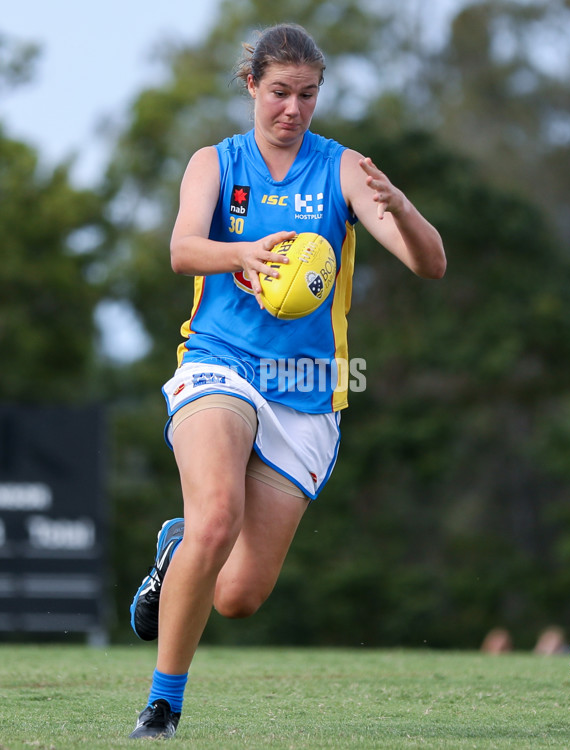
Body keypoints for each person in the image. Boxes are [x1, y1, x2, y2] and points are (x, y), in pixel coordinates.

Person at [128, 23, 446, 739]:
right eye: (279, 93)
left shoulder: (342, 171)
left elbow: (430, 264)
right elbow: (182, 250)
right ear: (251, 86)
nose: (292, 110)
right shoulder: (215, 163)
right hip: (220, 362)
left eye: (308, 95)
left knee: (237, 595)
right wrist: (242, 254)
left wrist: (401, 207)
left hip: (305, 390)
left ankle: (173, 552)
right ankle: (163, 705)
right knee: (217, 516)